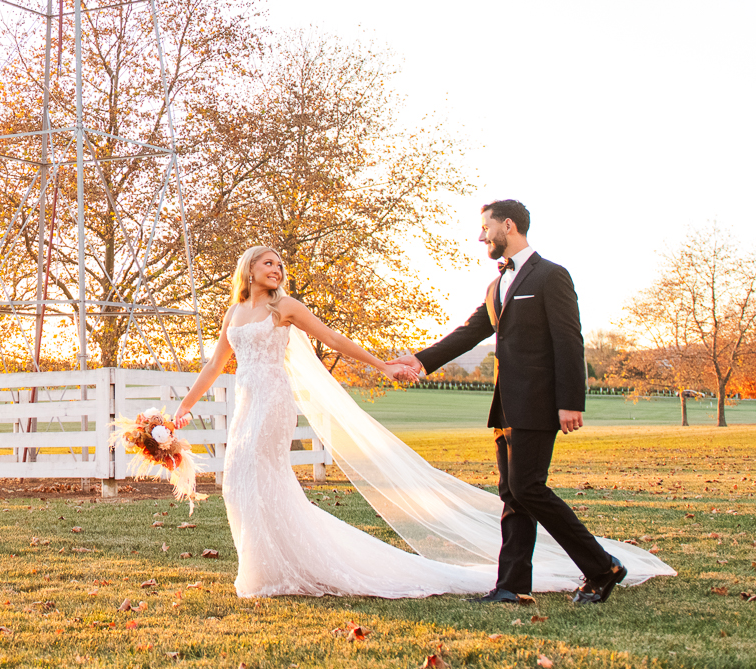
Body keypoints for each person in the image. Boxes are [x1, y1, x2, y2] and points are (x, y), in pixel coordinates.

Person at [171, 240, 671, 601]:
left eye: (280, 263)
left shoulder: (287, 309)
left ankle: (284, 572)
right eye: (267, 263)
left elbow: (338, 341)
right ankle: (262, 569)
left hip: (274, 402)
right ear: (249, 270)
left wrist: (385, 364)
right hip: (246, 403)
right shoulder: (234, 314)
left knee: (265, 479)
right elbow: (217, 365)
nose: (276, 269)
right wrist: (186, 405)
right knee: (238, 481)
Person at [397, 199, 627, 605]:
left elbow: (570, 342)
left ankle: (602, 567)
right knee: (511, 494)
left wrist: (571, 402)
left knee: (528, 488)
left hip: (540, 404)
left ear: (509, 225)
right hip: (505, 406)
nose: (480, 236)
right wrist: (420, 360)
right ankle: (512, 586)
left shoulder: (551, 275)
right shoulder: (496, 284)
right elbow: (468, 333)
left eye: (485, 227)